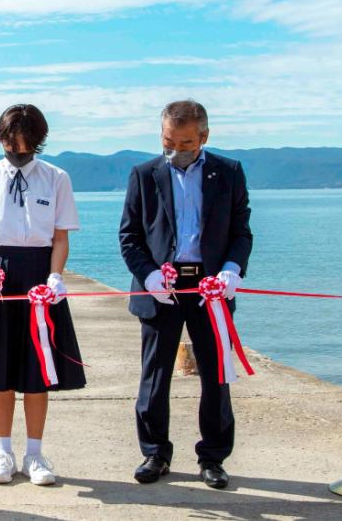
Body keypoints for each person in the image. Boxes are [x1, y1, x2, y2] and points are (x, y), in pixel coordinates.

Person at [118, 100, 253, 489]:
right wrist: (149, 276)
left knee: (215, 377)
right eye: (167, 141)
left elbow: (242, 232)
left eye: (185, 142)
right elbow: (129, 236)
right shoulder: (144, 174)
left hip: (211, 289)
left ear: (204, 137)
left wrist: (232, 269)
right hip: (161, 290)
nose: (175, 149)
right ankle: (154, 452)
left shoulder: (228, 172)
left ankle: (212, 457)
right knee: (155, 377)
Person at [0, 104, 86, 486]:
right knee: (0, 368)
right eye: (12, 145)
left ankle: (34, 454)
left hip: (40, 276)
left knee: (37, 369)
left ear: (39, 143)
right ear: (0, 140)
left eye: (28, 146)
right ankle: (2, 453)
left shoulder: (56, 178)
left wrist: (55, 276)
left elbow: (60, 237)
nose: (19, 153)